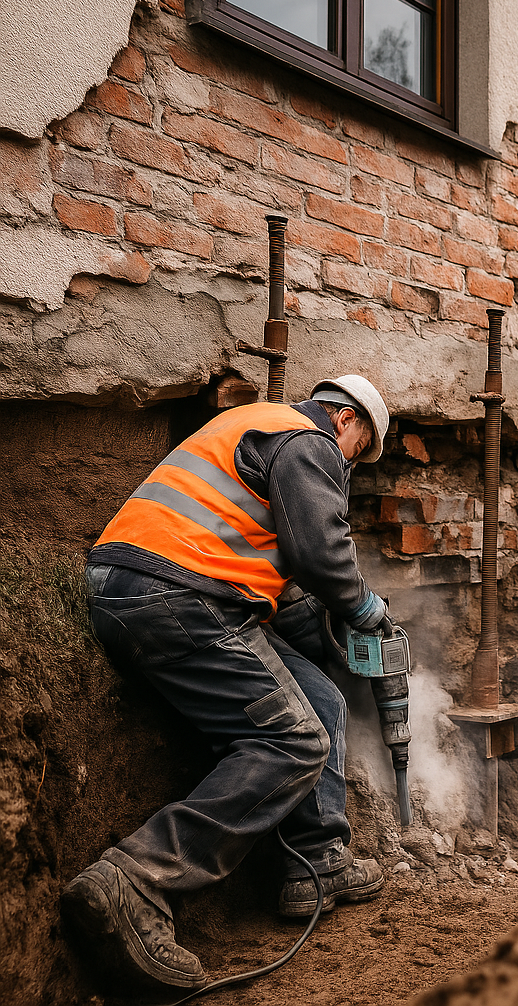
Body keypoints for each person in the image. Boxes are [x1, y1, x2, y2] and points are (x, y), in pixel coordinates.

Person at [62, 375, 394, 992]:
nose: (349, 465)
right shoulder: (308, 440)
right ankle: (135, 879)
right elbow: (321, 552)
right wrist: (364, 607)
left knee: (318, 701)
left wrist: (332, 647)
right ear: (345, 420)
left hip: (139, 589)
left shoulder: (255, 429)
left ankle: (316, 863)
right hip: (178, 594)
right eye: (359, 450)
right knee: (292, 742)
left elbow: (287, 594)